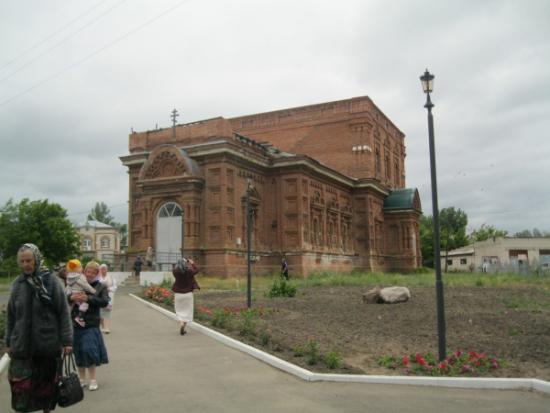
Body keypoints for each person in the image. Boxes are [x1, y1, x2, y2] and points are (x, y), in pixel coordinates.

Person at [5, 243, 73, 413]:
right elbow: (11, 316)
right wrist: (8, 341)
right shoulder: (17, 284)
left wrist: (67, 341)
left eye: (29, 260)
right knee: (20, 390)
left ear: (36, 259)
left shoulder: (51, 282)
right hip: (21, 347)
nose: (25, 264)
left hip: (47, 346)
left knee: (46, 390)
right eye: (22, 261)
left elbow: (63, 312)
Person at [69, 260, 109, 391]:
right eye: (88, 271)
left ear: (97, 274)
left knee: (89, 350)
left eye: (93, 272)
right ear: (84, 271)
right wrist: (71, 298)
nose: (90, 274)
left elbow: (104, 302)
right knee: (78, 352)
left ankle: (93, 379)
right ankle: (81, 379)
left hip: (91, 324)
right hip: (76, 323)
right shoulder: (76, 282)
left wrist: (89, 299)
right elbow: (65, 296)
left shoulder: (101, 286)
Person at [171, 258, 199, 335]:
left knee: (179, 310)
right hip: (188, 294)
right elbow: (196, 271)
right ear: (185, 263)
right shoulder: (189, 271)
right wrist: (192, 263)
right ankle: (184, 325)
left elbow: (177, 268)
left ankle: (181, 323)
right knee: (188, 311)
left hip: (178, 294)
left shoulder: (175, 271)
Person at [65, 259, 96, 327]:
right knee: (84, 305)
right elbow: (85, 285)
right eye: (80, 267)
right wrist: (93, 291)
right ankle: (80, 318)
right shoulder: (80, 276)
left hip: (72, 292)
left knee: (70, 307)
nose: (82, 268)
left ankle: (68, 318)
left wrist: (68, 294)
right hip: (79, 293)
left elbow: (68, 286)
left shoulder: (69, 277)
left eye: (93, 273)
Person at [98, 263, 117, 334]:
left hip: (109, 297)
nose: (103, 270)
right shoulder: (98, 278)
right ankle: (103, 326)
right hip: (100, 297)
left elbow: (115, 287)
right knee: (100, 312)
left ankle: (107, 328)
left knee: (108, 312)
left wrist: (109, 289)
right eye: (102, 269)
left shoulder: (111, 277)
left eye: (104, 269)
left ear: (107, 270)